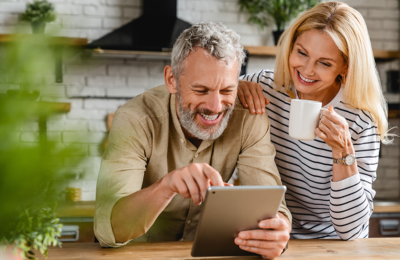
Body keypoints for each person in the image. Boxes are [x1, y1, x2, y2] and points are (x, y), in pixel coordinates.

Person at [94, 22, 292, 259]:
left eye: (227, 90)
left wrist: (278, 232)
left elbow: (271, 206)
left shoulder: (249, 117)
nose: (215, 107)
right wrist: (166, 186)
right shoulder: (135, 118)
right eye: (201, 90)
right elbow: (108, 229)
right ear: (172, 80)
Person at [238, 2, 391, 240]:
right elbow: (212, 93)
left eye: (325, 63)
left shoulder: (360, 120)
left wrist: (342, 150)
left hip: (329, 245)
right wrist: (234, 87)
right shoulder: (266, 87)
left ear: (345, 67)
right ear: (291, 46)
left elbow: (352, 231)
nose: (307, 70)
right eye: (302, 53)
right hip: (268, 234)